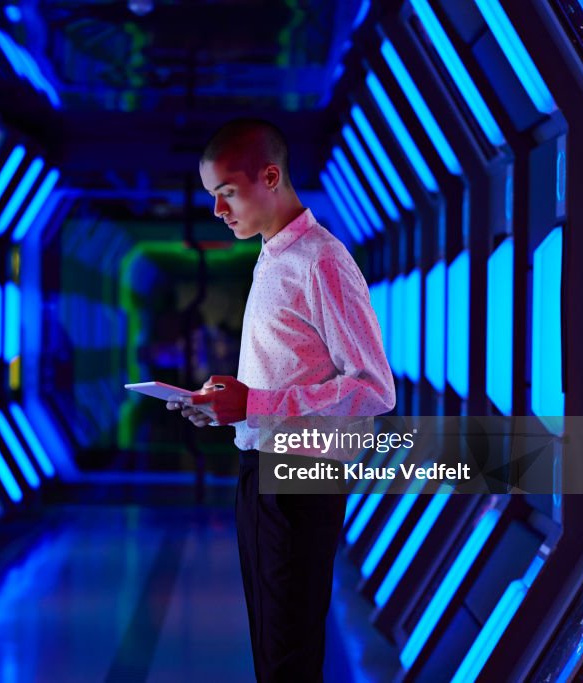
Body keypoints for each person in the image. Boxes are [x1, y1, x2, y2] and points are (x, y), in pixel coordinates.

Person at [166, 119, 395, 682]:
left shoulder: (322, 262)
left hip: (300, 475)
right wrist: (227, 404)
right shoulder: (271, 254)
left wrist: (258, 405)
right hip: (263, 468)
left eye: (226, 194)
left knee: (288, 656)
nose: (219, 212)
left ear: (270, 176)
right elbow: (280, 378)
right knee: (272, 649)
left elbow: (374, 388)